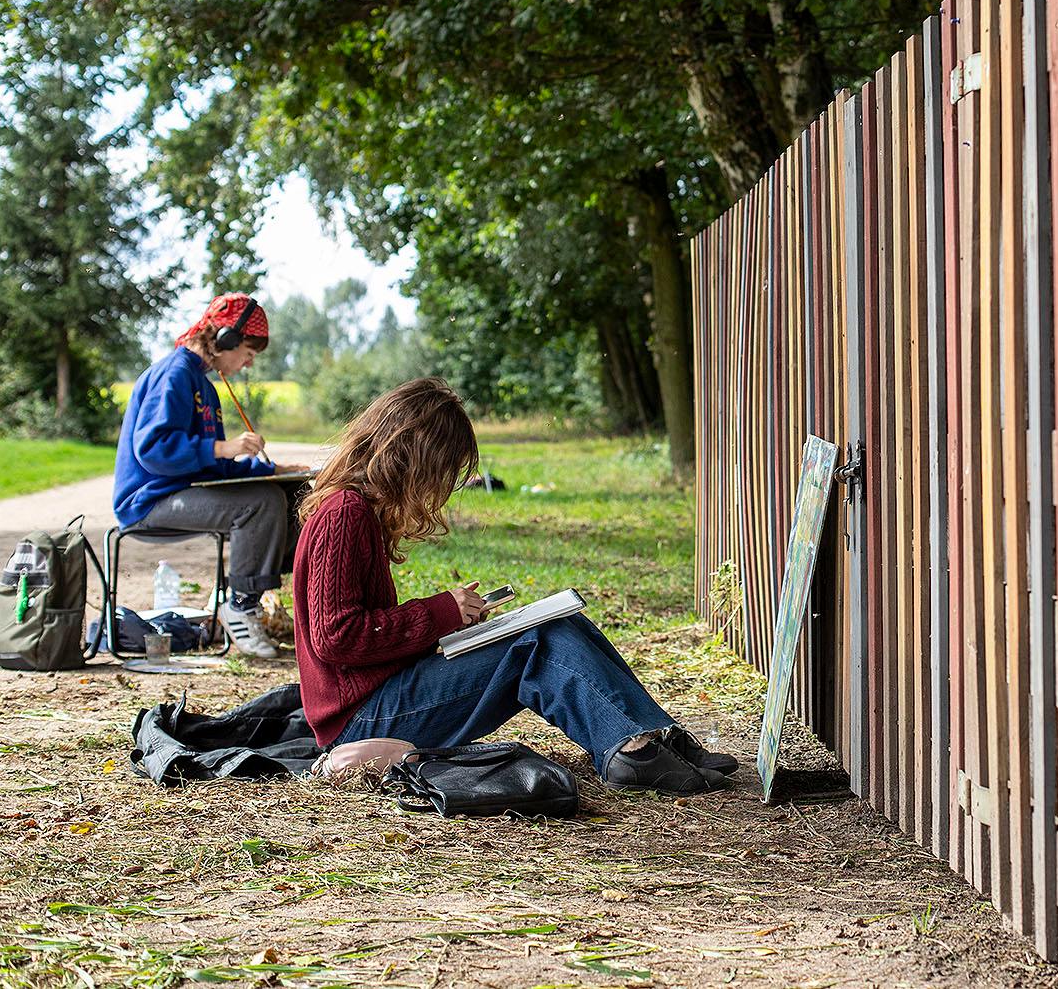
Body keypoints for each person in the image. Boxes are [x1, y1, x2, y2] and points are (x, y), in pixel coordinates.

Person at [293, 377, 735, 794]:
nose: (440, 489)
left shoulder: (355, 512)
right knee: (538, 642)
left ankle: (650, 736)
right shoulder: (344, 513)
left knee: (564, 625)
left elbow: (351, 634)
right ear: (414, 458)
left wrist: (455, 624)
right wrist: (442, 611)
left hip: (381, 699)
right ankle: (632, 754)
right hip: (361, 723)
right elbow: (337, 637)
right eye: (440, 472)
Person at [113, 293, 306, 657]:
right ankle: (241, 606)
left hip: (183, 493)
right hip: (148, 500)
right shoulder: (174, 374)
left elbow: (214, 468)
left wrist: (275, 470)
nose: (247, 363)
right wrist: (222, 447)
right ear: (225, 339)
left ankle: (271, 597)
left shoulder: (203, 385)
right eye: (247, 353)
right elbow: (153, 449)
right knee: (260, 503)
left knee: (292, 493)